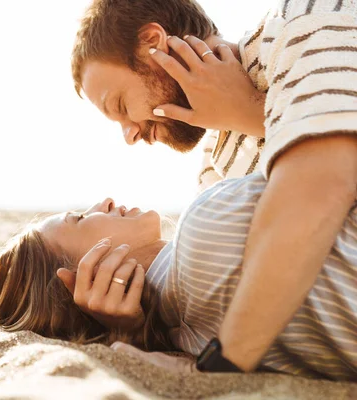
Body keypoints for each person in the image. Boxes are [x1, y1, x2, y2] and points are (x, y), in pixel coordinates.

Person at [70, 0, 357, 373]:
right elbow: (256, 305)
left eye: (121, 105)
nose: (130, 135)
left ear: (153, 44)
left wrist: (254, 112)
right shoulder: (215, 166)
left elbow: (321, 187)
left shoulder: (299, 23)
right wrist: (136, 329)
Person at [0, 175, 357, 381]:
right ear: (85, 276)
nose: (106, 202)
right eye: (80, 219)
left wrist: (130, 329)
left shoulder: (192, 341)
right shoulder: (206, 224)